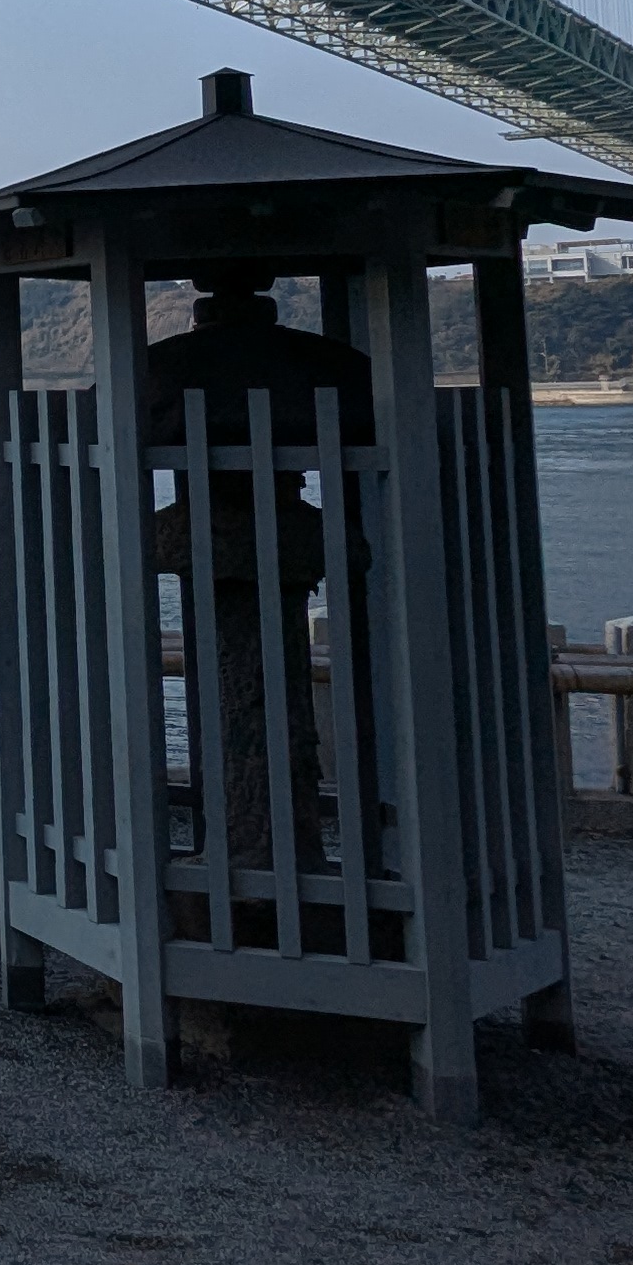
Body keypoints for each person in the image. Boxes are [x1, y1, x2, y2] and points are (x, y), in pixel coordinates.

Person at [140, 267, 372, 885]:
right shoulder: (339, 373)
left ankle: (255, 853)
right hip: (268, 529)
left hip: (228, 532)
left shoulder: (158, 375)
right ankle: (274, 852)